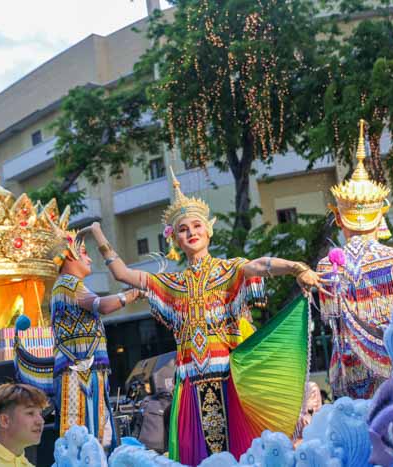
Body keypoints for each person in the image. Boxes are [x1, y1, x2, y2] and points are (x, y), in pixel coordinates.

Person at [78, 168, 325, 465]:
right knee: (199, 456)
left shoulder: (228, 269)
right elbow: (123, 274)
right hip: (191, 382)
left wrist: (297, 266)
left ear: (209, 231)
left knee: (234, 452)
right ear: (175, 240)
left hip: (226, 378)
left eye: (197, 226)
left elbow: (260, 266)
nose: (191, 232)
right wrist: (98, 233)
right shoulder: (173, 283)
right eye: (183, 229)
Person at [14, 206, 143, 449]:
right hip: (79, 373)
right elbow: (101, 306)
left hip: (86, 370)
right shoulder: (68, 285)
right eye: (84, 252)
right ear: (70, 256)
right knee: (85, 436)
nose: (89, 258)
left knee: (94, 434)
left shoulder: (67, 286)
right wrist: (131, 295)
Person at [317, 120, 393, 399]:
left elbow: (328, 317)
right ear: (380, 214)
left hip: (348, 367)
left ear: (338, 216)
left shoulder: (327, 265)